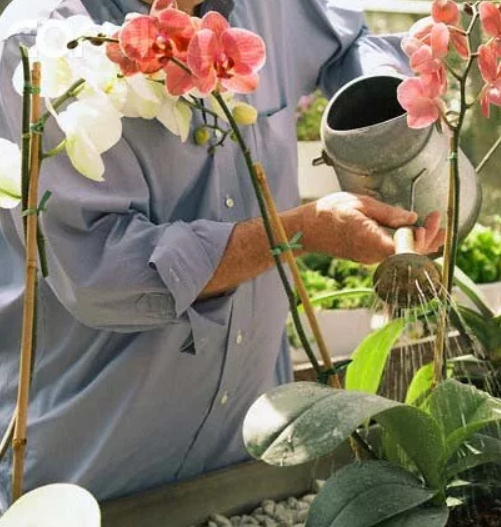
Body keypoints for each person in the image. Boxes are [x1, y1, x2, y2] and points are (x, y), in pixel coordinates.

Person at [0, 0, 444, 508]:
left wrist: (393, 127)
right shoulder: (45, 41)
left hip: (253, 452)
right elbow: (100, 274)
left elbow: (351, 42)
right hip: (94, 476)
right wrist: (295, 234)